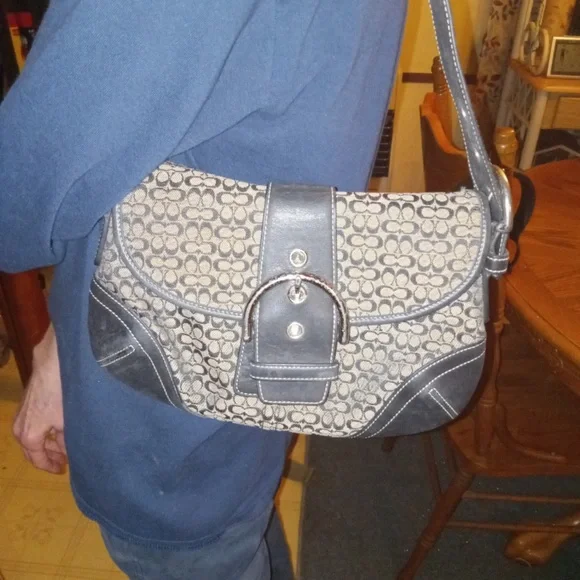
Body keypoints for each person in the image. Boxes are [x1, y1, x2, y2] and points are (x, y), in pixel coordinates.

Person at [0, 1, 406, 578]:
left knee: (203, 542)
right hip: (263, 335)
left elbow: (37, 169)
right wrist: (62, 338)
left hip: (161, 382)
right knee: (238, 524)